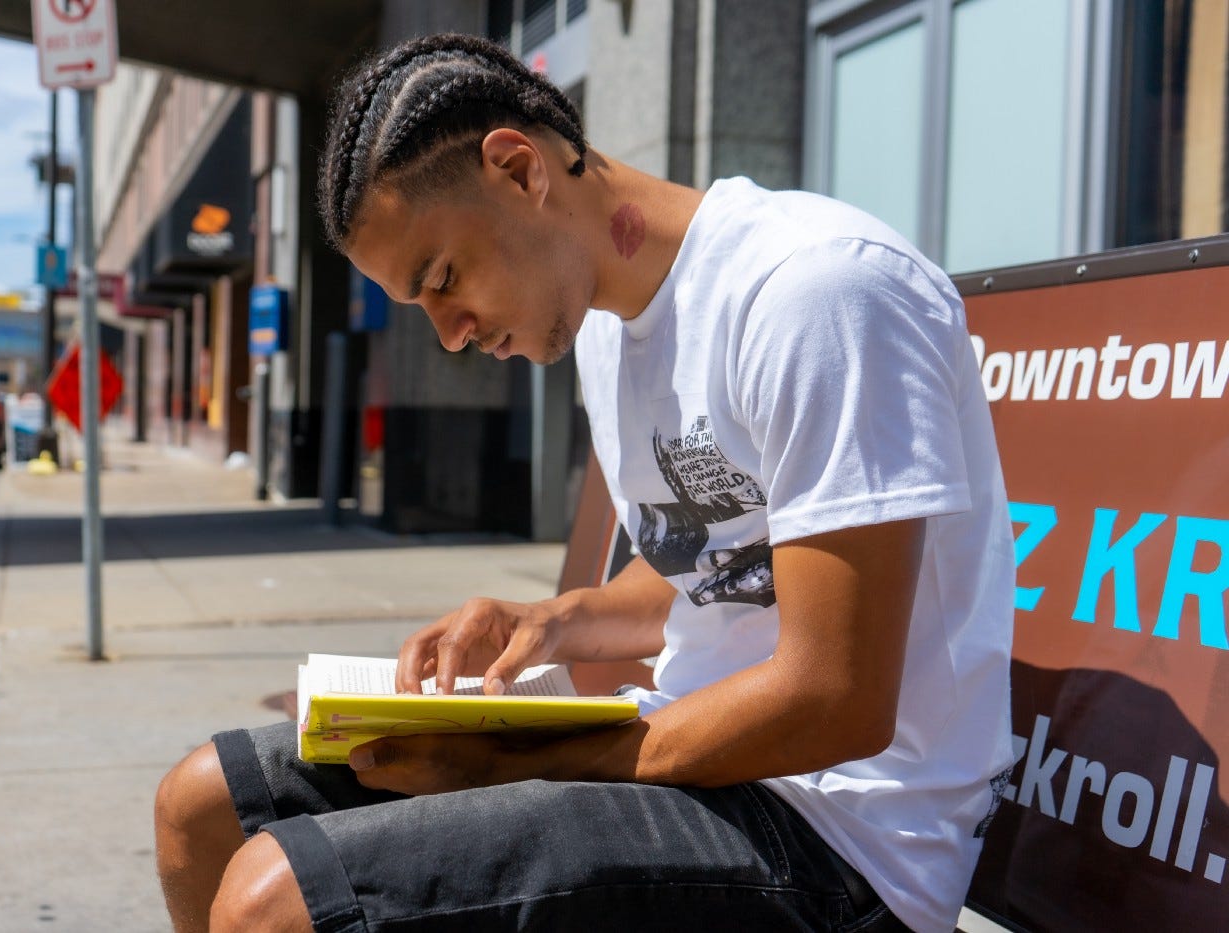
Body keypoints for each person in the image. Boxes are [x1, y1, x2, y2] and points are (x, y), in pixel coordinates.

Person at [153, 32, 1015, 933]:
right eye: (424, 309)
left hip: (844, 839)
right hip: (695, 750)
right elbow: (714, 567)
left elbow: (836, 697)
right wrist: (550, 622)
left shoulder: (816, 293)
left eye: (445, 279)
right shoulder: (607, 331)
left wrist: (521, 762)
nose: (451, 335)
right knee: (201, 805)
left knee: (276, 902)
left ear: (519, 170)